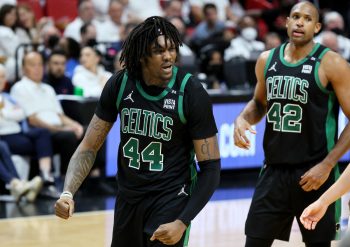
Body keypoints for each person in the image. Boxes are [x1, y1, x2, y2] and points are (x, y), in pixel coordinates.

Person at [55, 16, 221, 247]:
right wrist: (67, 193)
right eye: (158, 51)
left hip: (171, 198)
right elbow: (88, 146)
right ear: (142, 55)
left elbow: (211, 167)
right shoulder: (120, 84)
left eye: (172, 49)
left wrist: (183, 221)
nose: (168, 56)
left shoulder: (190, 92)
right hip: (128, 199)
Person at [233, 2, 350, 247]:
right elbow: (258, 103)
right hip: (273, 172)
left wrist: (328, 164)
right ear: (286, 22)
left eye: (307, 19)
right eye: (295, 17)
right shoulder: (267, 60)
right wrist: (242, 118)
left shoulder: (332, 63)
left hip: (315, 173)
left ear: (317, 27)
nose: (299, 22)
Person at [10, 51, 84, 176]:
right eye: (33, 65)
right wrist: (60, 129)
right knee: (68, 137)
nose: (37, 68)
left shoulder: (48, 88)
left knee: (89, 132)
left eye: (40, 64)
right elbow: (32, 120)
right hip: (40, 132)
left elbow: (60, 115)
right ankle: (66, 180)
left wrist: (75, 125)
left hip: (57, 128)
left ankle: (90, 178)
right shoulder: (19, 88)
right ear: (24, 68)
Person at [0, 63, 60, 198]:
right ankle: (19, 184)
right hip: (4, 136)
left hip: (18, 133)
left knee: (43, 133)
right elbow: (14, 114)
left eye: (3, 76)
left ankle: (46, 176)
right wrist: (10, 113)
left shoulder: (7, 97)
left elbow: (21, 113)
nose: (2, 80)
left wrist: (5, 113)